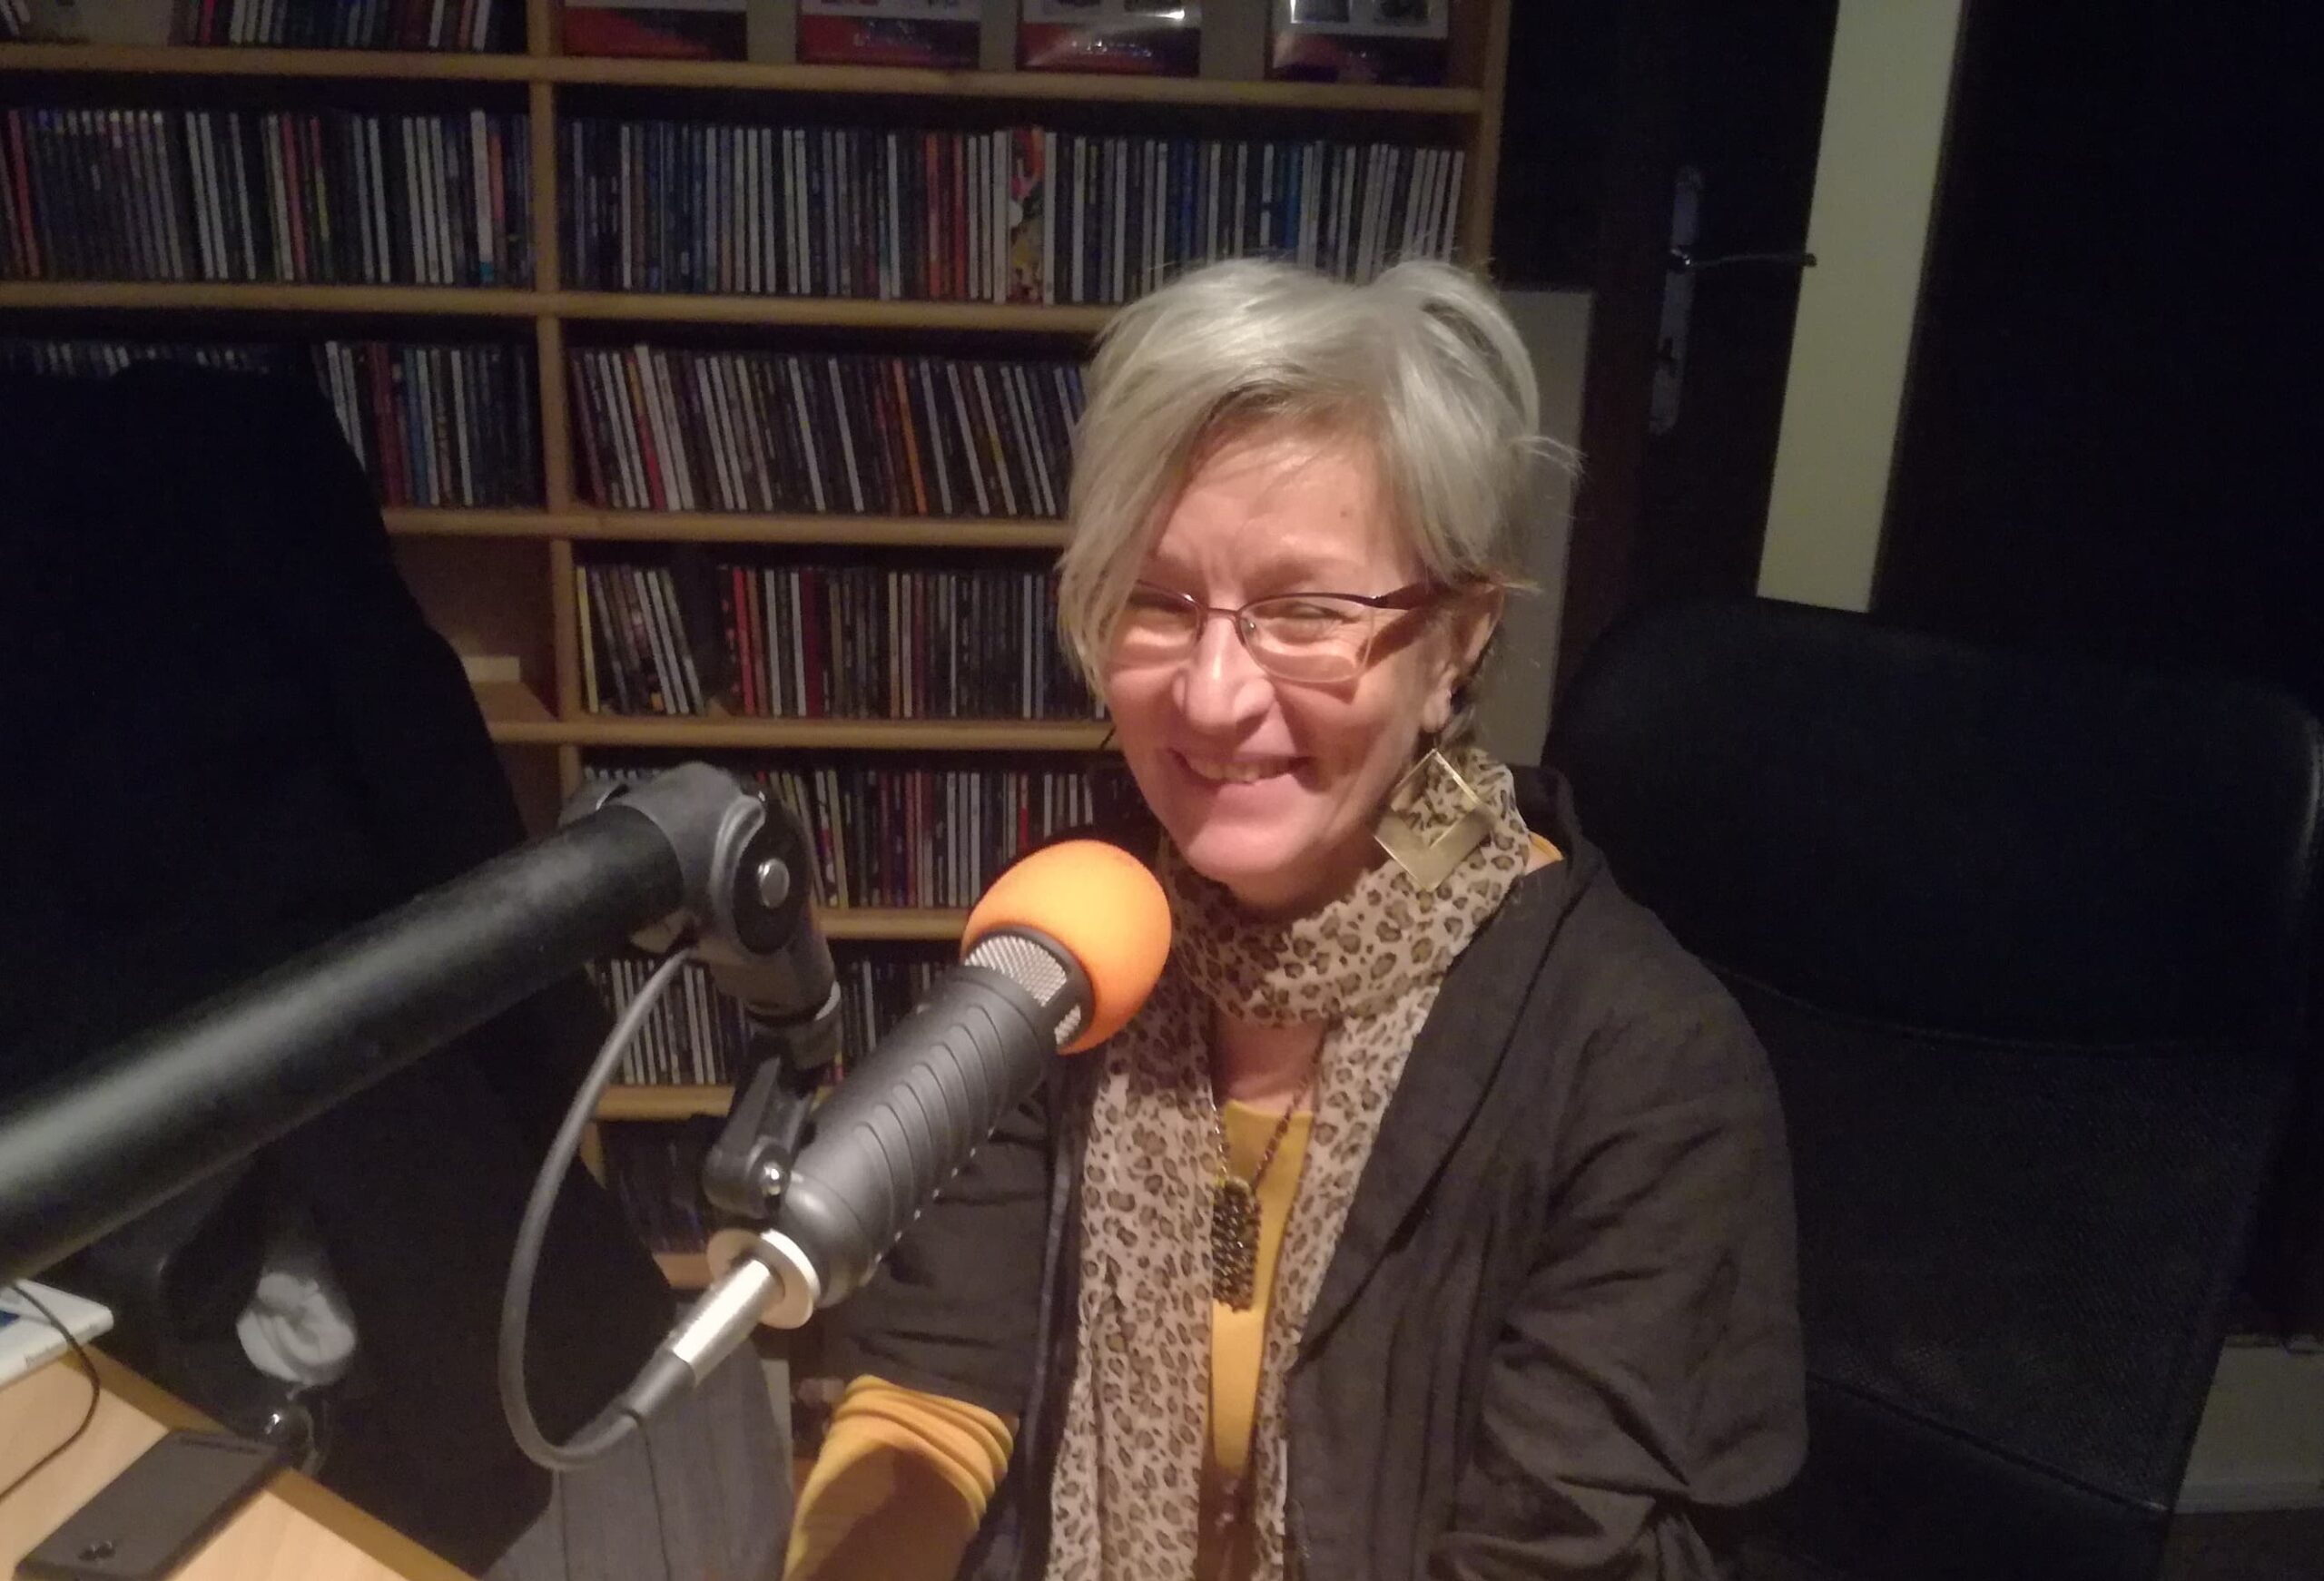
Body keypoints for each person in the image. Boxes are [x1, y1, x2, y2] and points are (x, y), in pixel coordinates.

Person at [783, 258, 1805, 1581]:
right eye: (1157, 601)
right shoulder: (1074, 944)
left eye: (1306, 611)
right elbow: (932, 1377)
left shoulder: (1647, 1065)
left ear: (1456, 643)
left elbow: (1552, 1551)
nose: (1213, 696)